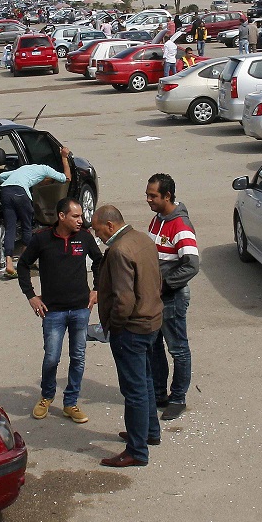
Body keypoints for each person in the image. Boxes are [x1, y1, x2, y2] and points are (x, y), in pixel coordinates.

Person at [19, 197, 103, 426]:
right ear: (61, 216)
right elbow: (23, 264)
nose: (81, 220)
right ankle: (46, 396)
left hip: (80, 309)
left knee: (78, 357)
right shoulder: (42, 239)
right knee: (52, 357)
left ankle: (70, 402)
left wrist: (96, 289)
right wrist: (31, 296)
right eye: (75, 216)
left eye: (81, 216)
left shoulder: (84, 237)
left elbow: (99, 261)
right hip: (53, 312)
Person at [92, 204, 164, 468]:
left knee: (134, 390)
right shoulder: (143, 239)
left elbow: (123, 298)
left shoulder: (120, 251)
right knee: (145, 382)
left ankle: (137, 450)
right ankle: (149, 433)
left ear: (110, 226)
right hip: (152, 323)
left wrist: (114, 325)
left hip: (131, 329)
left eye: (98, 231)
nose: (98, 236)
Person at [145, 174, 199, 421]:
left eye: (153, 196)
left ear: (167, 196)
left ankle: (177, 398)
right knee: (154, 346)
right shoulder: (158, 220)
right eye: (148, 195)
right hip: (155, 297)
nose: (149, 200)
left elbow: (191, 266)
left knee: (178, 349)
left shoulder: (180, 226)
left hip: (171, 298)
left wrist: (165, 285)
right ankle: (158, 393)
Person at [0, 145, 72, 278]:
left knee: (10, 227)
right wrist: (64, 157)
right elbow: (66, 178)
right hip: (20, 193)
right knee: (28, 226)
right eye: (47, 182)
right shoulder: (45, 169)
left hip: (5, 191)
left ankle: (8, 264)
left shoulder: (23, 168)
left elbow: (2, 176)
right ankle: (24, 260)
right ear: (46, 177)